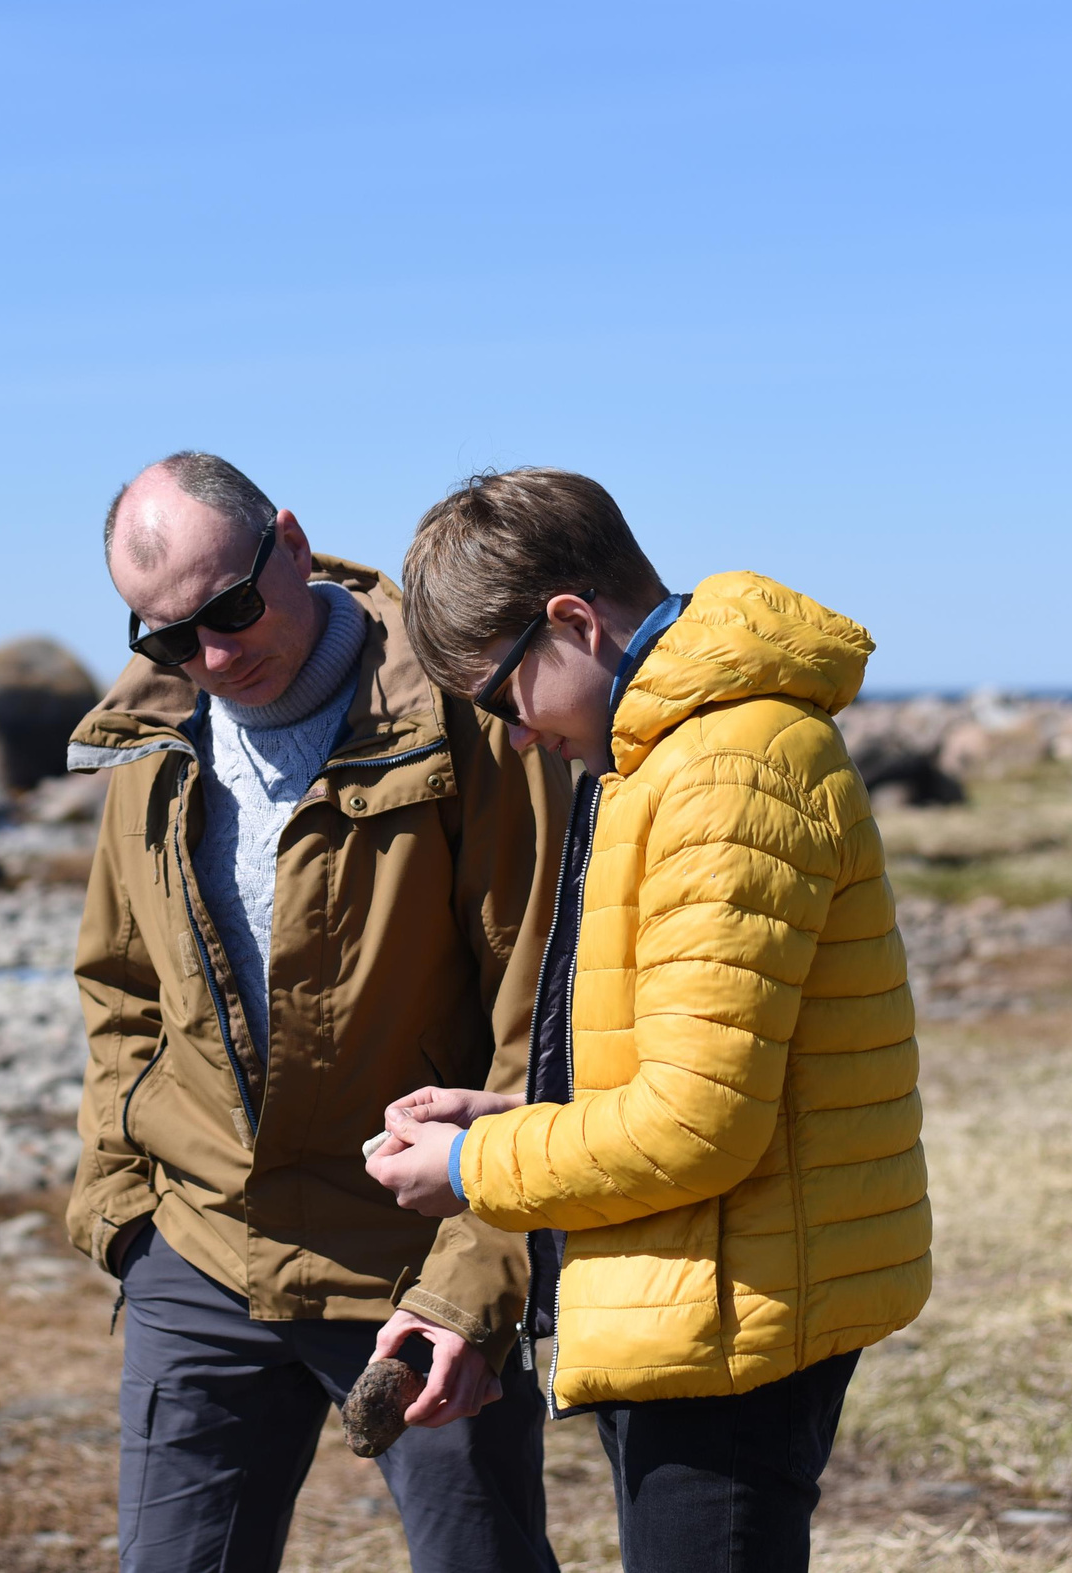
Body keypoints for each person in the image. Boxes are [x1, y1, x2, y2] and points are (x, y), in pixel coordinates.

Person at [367, 467, 931, 1572]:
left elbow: (695, 1126)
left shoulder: (724, 768)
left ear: (572, 621)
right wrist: (528, 1106)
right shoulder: (663, 755)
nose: (514, 739)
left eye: (499, 699)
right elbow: (697, 1064)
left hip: (731, 1311)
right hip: (702, 1278)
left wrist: (478, 1161)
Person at [64, 451, 571, 1573]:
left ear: (291, 543)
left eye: (230, 609)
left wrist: (479, 1275)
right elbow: (120, 985)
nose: (210, 653)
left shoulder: (464, 718)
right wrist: (119, 1203)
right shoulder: (151, 744)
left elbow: (534, 1018)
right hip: (194, 1252)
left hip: (411, 1263)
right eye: (163, 635)